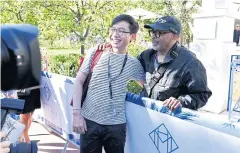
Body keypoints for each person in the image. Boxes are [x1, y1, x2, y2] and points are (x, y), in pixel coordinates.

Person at [72, 14, 145, 153]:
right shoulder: (96, 53)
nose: (115, 34)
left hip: (116, 126)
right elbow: (78, 82)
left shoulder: (135, 64)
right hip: (89, 122)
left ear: (132, 37)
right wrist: (76, 114)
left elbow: (144, 89)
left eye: (122, 31)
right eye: (113, 29)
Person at [137, 16, 212, 111]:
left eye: (159, 32)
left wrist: (180, 101)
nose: (153, 37)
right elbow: (128, 69)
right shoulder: (146, 55)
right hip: (146, 116)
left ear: (175, 37)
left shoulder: (190, 62)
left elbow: (202, 95)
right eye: (152, 32)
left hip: (170, 122)